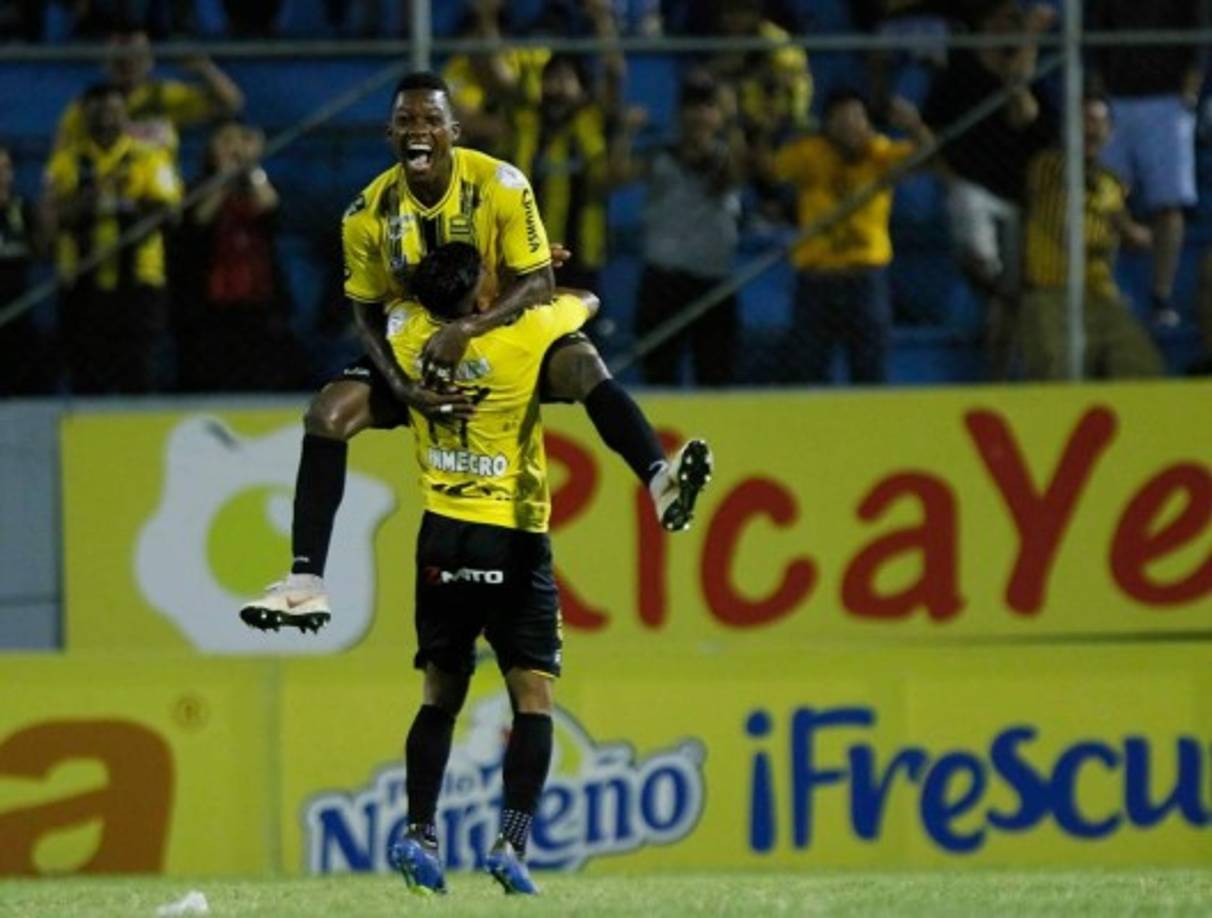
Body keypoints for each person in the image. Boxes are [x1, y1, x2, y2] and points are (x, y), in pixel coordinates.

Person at [238, 72, 711, 632]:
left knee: (584, 366)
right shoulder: (365, 215)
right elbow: (364, 314)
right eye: (408, 121)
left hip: (497, 330)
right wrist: (405, 387)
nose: (420, 130)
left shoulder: (500, 184)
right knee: (326, 414)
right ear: (390, 133)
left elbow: (537, 282)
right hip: (416, 350)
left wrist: (469, 329)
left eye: (431, 120)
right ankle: (305, 582)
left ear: (453, 131)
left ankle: (660, 483)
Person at [384, 243, 651, 895]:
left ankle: (420, 832)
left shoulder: (409, 332)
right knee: (532, 697)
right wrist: (533, 280)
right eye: (486, 277)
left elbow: (388, 299)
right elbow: (587, 299)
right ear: (478, 300)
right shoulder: (524, 334)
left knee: (440, 698)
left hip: (442, 537)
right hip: (513, 538)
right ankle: (511, 841)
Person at [921, 0, 1055, 377]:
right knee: (966, 202)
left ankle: (1000, 356)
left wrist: (1029, 41)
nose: (1011, 26)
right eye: (1005, 19)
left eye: (1016, 20)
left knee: (1009, 305)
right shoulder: (959, 73)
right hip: (972, 188)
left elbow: (1024, 114)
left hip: (1018, 196)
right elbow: (930, 134)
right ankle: (991, 277)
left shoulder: (1031, 75)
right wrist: (946, 176)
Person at [769, 90, 931, 384]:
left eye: (857, 118)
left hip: (865, 276)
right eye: (841, 119)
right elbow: (770, 170)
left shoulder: (879, 153)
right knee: (808, 370)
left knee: (871, 369)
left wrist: (914, 127)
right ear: (827, 124)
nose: (850, 126)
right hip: (817, 277)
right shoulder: (810, 152)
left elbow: (927, 157)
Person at [44, 82, 181, 394]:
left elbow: (169, 213)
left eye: (114, 109)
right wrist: (99, 192)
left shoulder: (150, 158)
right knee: (86, 373)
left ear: (125, 114)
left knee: (137, 371)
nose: (107, 117)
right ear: (84, 114)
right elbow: (52, 217)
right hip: (81, 280)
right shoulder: (66, 161)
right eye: (99, 109)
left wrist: (127, 201)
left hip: (139, 280)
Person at [1018, 95, 1162, 380]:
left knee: (1143, 368)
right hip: (1051, 293)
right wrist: (1119, 227)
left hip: (1101, 294)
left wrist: (1133, 233)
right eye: (1084, 120)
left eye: (1099, 122)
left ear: (1109, 131)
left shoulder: (1114, 182)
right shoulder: (1047, 166)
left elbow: (1130, 233)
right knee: (1056, 370)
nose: (1091, 129)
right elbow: (1068, 224)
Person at [1089, 0, 1209, 328]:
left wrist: (1191, 86)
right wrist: (1099, 89)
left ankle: (1161, 295)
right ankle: (1100, 289)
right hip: (1117, 98)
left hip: (1167, 99)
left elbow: (1200, 30)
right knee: (1102, 197)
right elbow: (1098, 29)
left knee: (1169, 203)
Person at [628, 70, 746, 385]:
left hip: (714, 282)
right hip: (664, 281)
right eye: (691, 107)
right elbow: (612, 176)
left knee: (716, 377)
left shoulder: (727, 160)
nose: (699, 115)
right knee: (659, 375)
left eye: (708, 107)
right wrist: (623, 134)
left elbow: (743, 171)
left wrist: (733, 121)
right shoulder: (659, 156)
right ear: (679, 114)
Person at [175, 120, 306, 392]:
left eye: (240, 141)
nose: (234, 148)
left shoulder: (259, 183)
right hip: (212, 301)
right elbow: (199, 220)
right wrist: (224, 177)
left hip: (258, 299)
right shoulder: (196, 188)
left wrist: (251, 167)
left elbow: (269, 208)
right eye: (226, 141)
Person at [54, 30, 243, 163]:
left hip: (158, 192)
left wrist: (203, 68)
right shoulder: (86, 107)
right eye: (120, 60)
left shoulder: (165, 96)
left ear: (150, 61)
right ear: (106, 63)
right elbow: (59, 159)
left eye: (136, 58)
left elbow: (231, 103)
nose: (128, 65)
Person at [0, 144, 51, 395]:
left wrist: (46, 221)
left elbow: (42, 252)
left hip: (18, 310)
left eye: (5, 169)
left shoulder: (23, 208)